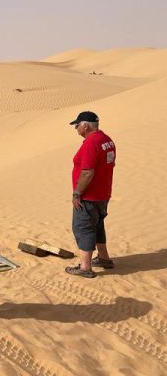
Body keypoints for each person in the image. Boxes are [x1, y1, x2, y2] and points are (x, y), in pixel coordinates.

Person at [65, 111, 116, 278]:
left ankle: (85, 267)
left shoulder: (91, 143)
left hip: (89, 196)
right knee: (97, 225)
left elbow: (87, 172)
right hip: (103, 193)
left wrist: (77, 193)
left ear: (85, 125)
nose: (75, 128)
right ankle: (104, 258)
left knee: (83, 228)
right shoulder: (106, 140)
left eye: (77, 125)